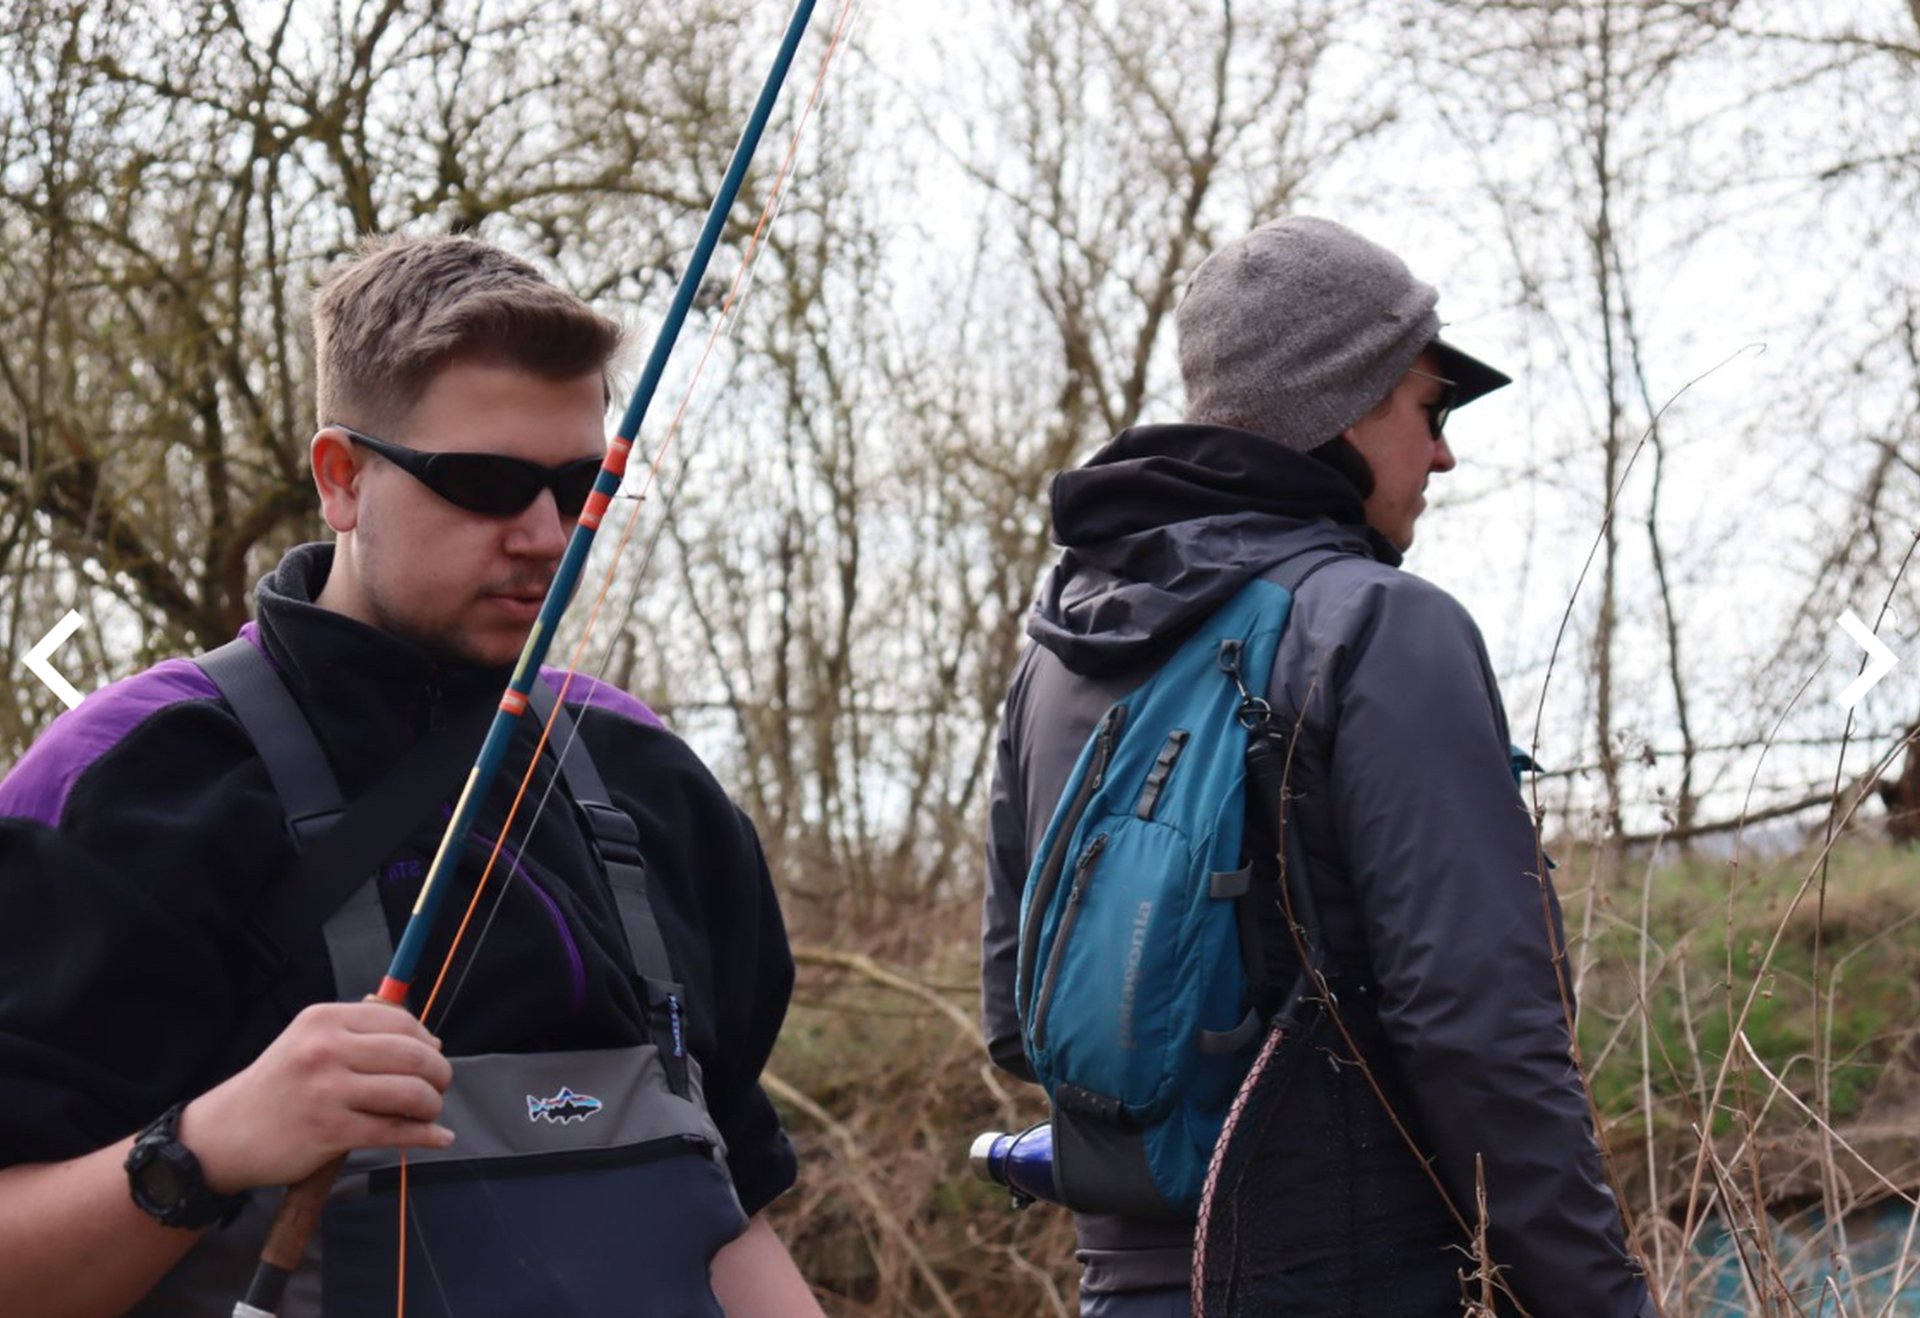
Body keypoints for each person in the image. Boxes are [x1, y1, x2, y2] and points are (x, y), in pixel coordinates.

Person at [0, 234, 821, 1317]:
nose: (544, 535)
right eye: (484, 483)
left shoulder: (652, 783)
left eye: (583, 485)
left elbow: (734, 1217)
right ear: (341, 479)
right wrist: (204, 1146)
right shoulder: (132, 782)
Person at [980, 217, 1656, 1317]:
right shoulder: (1381, 627)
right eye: (1429, 407)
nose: (1443, 451)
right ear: (1342, 403)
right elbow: (1484, 1036)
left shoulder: (1055, 660)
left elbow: (1021, 1024)